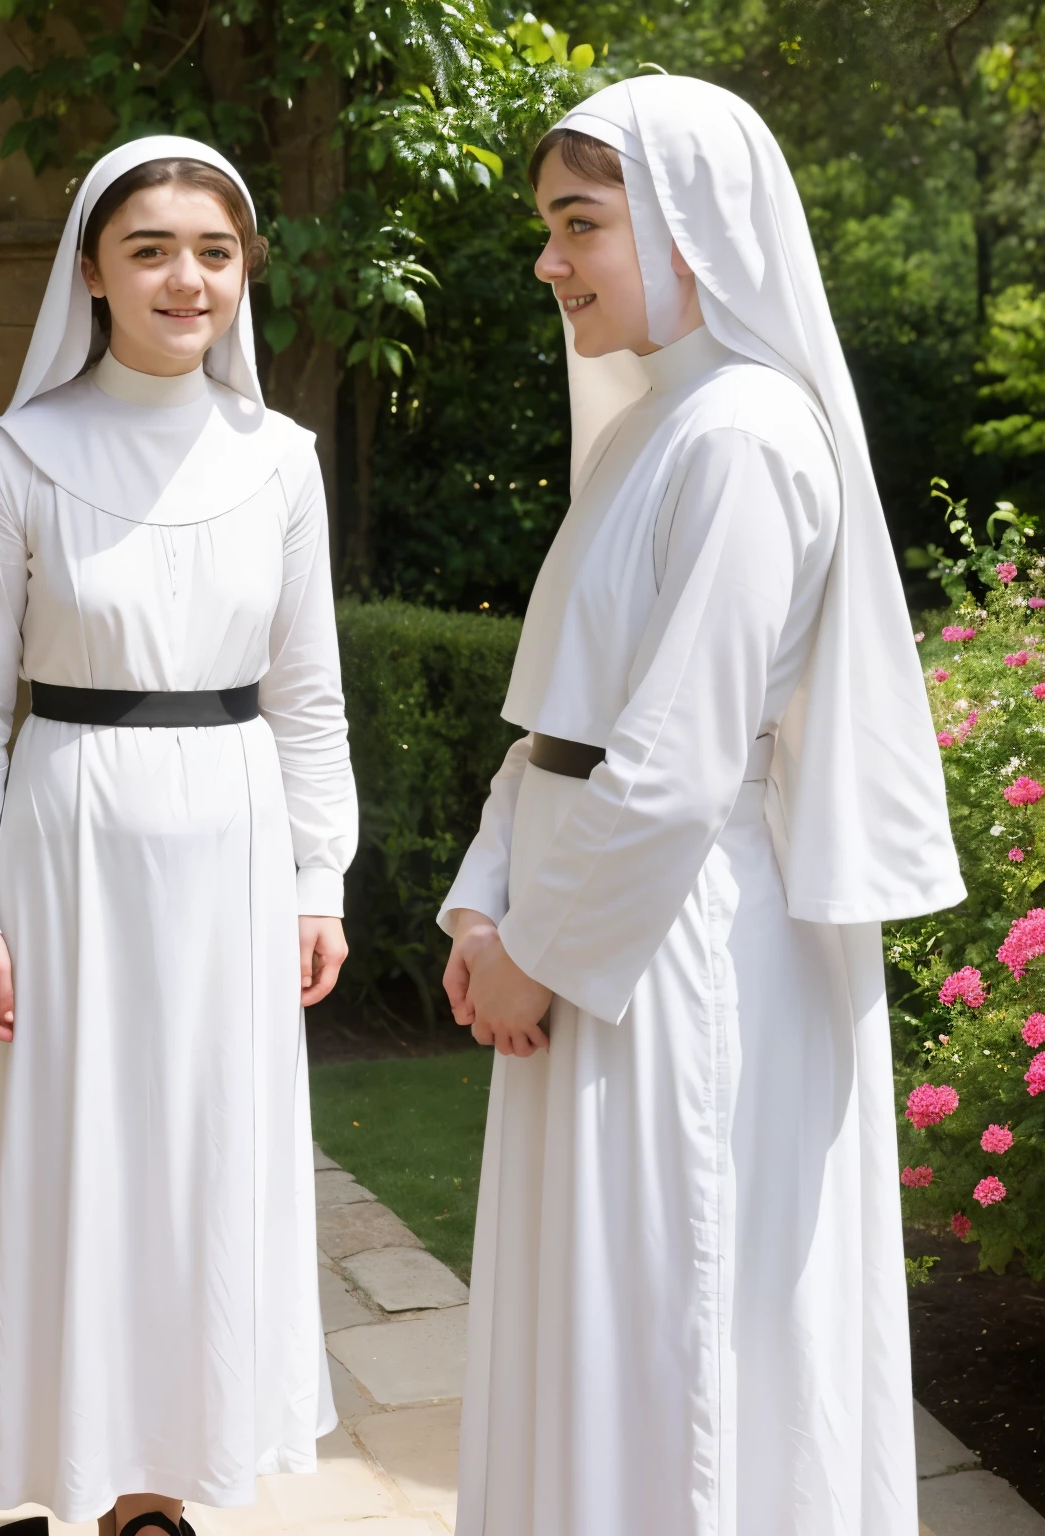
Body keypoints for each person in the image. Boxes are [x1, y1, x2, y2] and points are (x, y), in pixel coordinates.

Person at [439, 76, 964, 1535]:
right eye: (550, 227)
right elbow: (557, 722)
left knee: (683, 1328)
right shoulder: (644, 434)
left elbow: (671, 767)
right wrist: (482, 901)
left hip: (673, 953)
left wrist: (534, 951)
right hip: (586, 925)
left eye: (579, 225)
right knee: (595, 1317)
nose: (551, 262)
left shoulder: (743, 436)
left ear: (689, 227)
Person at [0, 135, 357, 1536]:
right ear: (95, 274)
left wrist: (318, 874)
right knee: (81, 1157)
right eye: (152, 249)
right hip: (70, 841)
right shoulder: (19, 455)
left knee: (207, 1159)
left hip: (231, 840)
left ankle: (165, 1493)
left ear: (245, 275)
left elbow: (306, 695)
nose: (187, 278)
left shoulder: (281, 461)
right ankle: (83, 1461)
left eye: (214, 252)